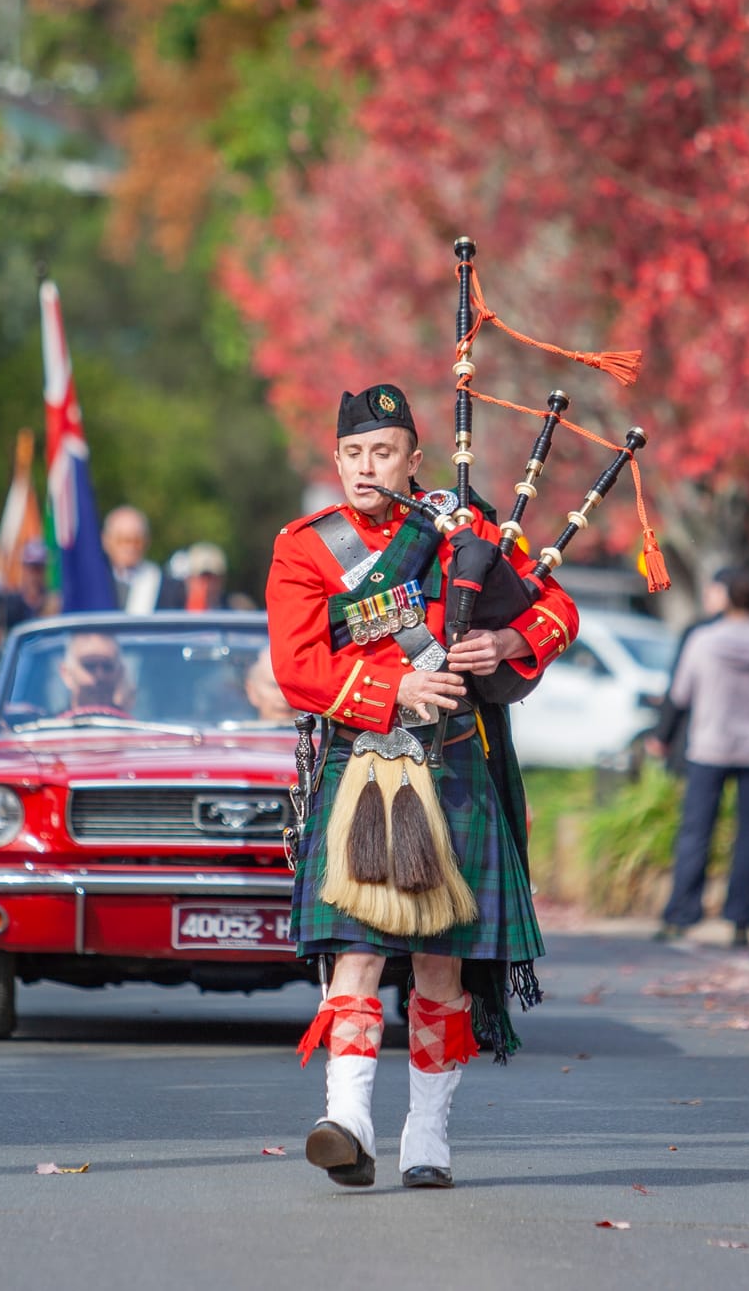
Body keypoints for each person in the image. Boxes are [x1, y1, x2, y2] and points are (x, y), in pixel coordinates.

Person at [268, 383, 578, 1190]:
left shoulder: (459, 531)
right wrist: (394, 690)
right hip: (363, 762)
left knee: (441, 965)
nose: (367, 467)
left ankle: (428, 1133)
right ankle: (348, 1119)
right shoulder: (306, 548)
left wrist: (506, 637)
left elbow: (557, 610)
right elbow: (299, 669)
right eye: (354, 454)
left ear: (414, 459)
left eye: (384, 452)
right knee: (358, 952)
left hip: (456, 765)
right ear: (337, 461)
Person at [655, 569, 749, 948]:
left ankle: (681, 915)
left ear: (728, 598)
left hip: (710, 745)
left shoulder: (703, 640)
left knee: (696, 832)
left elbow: (681, 693)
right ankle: (741, 920)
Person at [647, 567, 730, 771]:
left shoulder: (699, 632)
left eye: (713, 589)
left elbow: (679, 689)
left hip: (696, 735)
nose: (706, 594)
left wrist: (662, 735)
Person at [103, 506, 163, 614]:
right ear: (106, 541)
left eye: (137, 540)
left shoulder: (164, 585)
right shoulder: (93, 581)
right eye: (122, 540)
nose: (130, 547)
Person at [58, 632, 131, 718]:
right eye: (89, 666)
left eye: (107, 666)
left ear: (120, 674)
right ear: (67, 674)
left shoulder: (136, 729)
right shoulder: (48, 729)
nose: (100, 676)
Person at [159, 543, 228, 611]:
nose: (207, 585)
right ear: (188, 579)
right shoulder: (166, 611)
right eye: (202, 578)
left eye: (212, 578)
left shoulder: (231, 614)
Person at [244, 648, 295, 723]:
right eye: (274, 686)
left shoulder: (317, 732)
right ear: (252, 691)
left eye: (292, 687)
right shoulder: (230, 732)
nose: (283, 697)